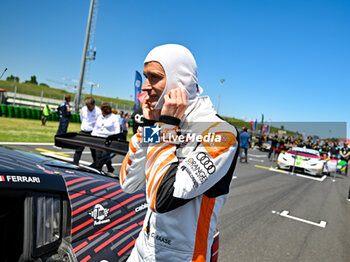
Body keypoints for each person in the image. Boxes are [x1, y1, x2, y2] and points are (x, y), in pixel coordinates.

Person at [120, 44, 239, 261]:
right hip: (144, 245)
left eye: (153, 77)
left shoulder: (222, 134)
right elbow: (128, 183)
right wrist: (148, 127)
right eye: (145, 77)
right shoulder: (166, 122)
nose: (145, 86)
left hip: (183, 255)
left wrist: (166, 127)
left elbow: (161, 198)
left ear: (179, 81)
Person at [91, 103, 120, 172]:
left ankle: (98, 170)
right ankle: (109, 168)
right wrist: (92, 137)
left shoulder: (114, 117)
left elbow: (117, 130)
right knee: (98, 156)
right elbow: (96, 128)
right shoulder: (99, 117)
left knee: (104, 157)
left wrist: (116, 140)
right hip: (98, 139)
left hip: (108, 140)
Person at [73, 97, 102, 165]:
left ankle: (96, 165)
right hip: (84, 131)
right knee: (78, 149)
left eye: (89, 106)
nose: (88, 108)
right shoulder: (83, 109)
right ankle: (75, 163)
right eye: (87, 106)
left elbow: (99, 123)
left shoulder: (98, 111)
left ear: (93, 104)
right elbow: (82, 118)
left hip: (93, 133)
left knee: (94, 150)